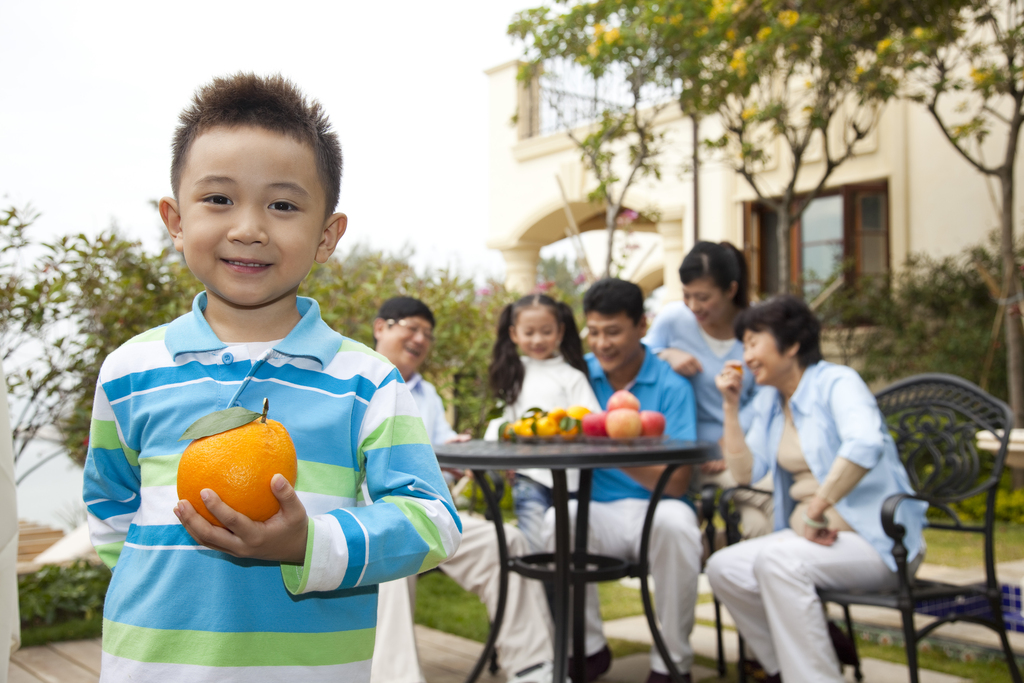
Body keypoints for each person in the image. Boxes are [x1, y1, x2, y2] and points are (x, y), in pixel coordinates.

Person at [82, 74, 462, 683]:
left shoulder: (365, 380)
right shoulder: (131, 370)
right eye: (219, 200)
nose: (249, 227)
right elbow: (111, 511)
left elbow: (432, 520)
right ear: (175, 220)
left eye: (283, 205)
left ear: (327, 236)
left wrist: (309, 544)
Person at [706, 295, 926, 683]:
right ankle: (785, 669)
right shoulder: (773, 402)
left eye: (754, 341)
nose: (747, 355)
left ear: (791, 345)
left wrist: (816, 507)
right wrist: (730, 407)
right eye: (744, 344)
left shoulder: (837, 382)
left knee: (777, 564)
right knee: (725, 567)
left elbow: (864, 443)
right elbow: (745, 473)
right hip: (813, 541)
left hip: (877, 540)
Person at [369, 297, 554, 683]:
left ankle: (533, 668)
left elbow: (440, 452)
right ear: (380, 327)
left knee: (508, 542)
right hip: (371, 516)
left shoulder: (428, 395)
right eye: (411, 327)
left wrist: (455, 452)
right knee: (394, 551)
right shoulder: (355, 380)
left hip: (431, 515)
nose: (421, 339)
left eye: (428, 334)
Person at [551, 278, 701, 683]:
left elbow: (675, 484)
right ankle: (588, 649)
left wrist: (608, 447)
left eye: (613, 332)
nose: (602, 343)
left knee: (679, 525)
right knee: (555, 522)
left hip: (657, 509)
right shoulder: (578, 375)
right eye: (594, 332)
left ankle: (671, 664)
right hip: (595, 510)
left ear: (641, 325)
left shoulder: (671, 385)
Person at [644, 241, 773, 540]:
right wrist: (667, 354)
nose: (693, 306)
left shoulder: (757, 330)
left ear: (730, 290)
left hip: (740, 450)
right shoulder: (674, 320)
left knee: (757, 522)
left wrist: (731, 440)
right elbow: (640, 357)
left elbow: (766, 395)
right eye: (687, 295)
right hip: (687, 454)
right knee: (767, 498)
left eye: (703, 297)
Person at [485, 294, 600, 553]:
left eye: (546, 332)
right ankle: (541, 595)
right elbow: (500, 425)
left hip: (569, 478)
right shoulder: (514, 375)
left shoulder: (572, 377)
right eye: (529, 332)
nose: (537, 340)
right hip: (529, 477)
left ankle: (565, 595)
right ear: (514, 334)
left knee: (566, 549)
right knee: (536, 550)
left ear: (560, 331)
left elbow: (591, 421)